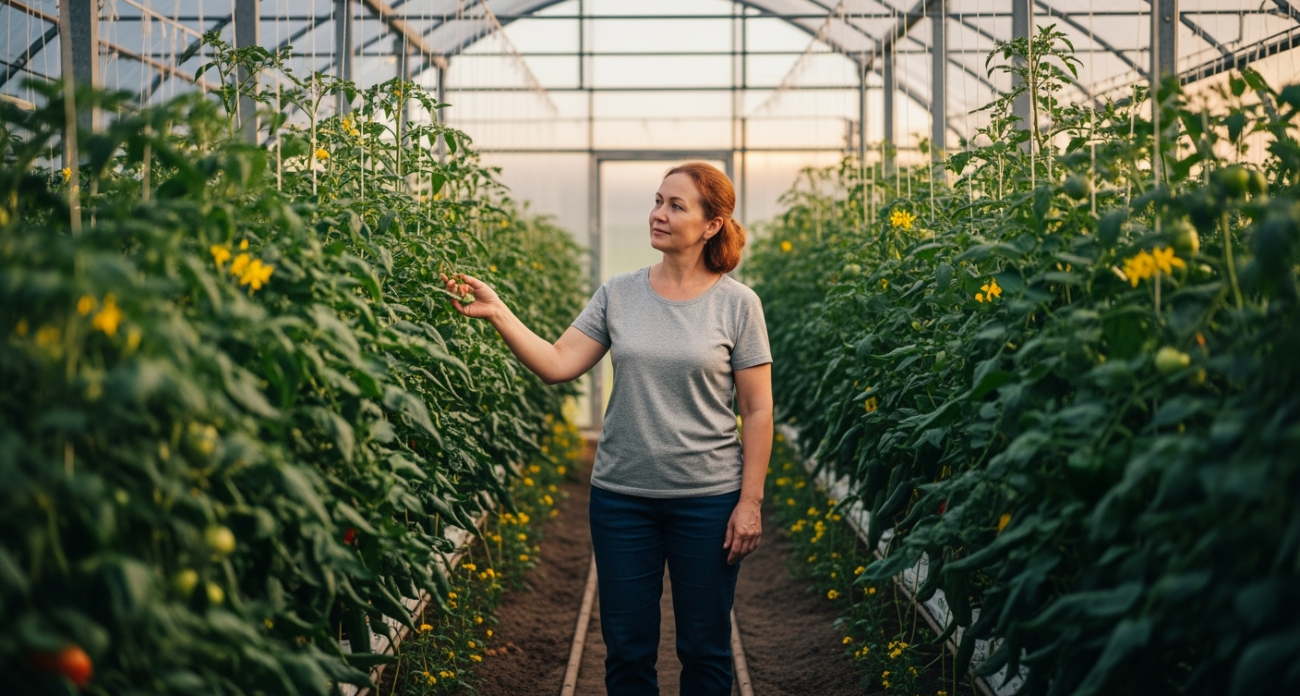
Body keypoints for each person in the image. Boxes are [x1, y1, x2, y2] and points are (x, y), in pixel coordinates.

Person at [442, 161, 773, 696]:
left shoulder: (738, 304)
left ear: (712, 225)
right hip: (621, 500)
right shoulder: (619, 293)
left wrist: (749, 502)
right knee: (626, 652)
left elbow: (758, 411)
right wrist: (500, 312)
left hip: (708, 500)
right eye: (657, 200)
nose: (658, 214)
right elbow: (556, 362)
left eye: (675, 205)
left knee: (705, 650)